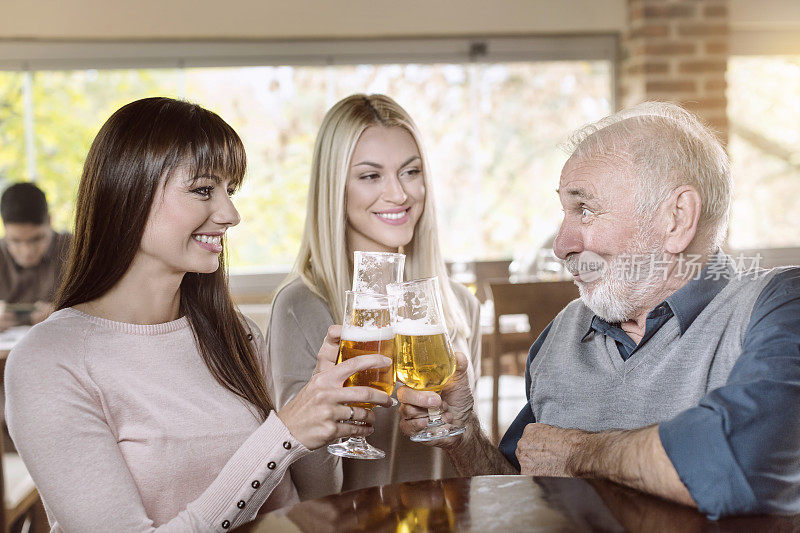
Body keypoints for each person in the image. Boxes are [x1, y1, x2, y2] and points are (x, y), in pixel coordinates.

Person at [4, 97, 393, 531]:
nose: (230, 214)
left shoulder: (237, 335)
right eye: (204, 190)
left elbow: (312, 503)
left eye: (230, 191)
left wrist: (324, 417)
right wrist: (283, 435)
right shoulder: (49, 362)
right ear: (129, 193)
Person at [397, 101, 800, 519]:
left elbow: (743, 463)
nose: (560, 244)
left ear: (677, 219)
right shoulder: (563, 330)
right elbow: (522, 494)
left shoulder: (778, 305)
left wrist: (578, 452)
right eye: (564, 210)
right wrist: (463, 435)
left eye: (585, 209)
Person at [266, 94, 481, 499]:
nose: (399, 194)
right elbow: (307, 490)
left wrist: (463, 431)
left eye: (410, 171)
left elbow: (466, 466)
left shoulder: (458, 306)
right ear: (335, 188)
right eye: (370, 176)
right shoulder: (299, 307)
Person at [0, 182, 71, 330]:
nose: (27, 252)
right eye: (15, 241)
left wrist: (65, 312)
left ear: (50, 221)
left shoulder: (75, 250)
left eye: (36, 239)